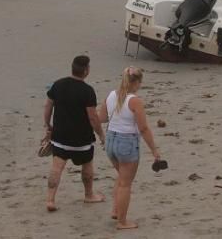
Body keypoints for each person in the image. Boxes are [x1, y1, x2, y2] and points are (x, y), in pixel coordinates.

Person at [99, 67, 160, 230]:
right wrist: (154, 150)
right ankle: (122, 221)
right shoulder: (135, 101)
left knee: (121, 177)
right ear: (137, 82)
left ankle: (116, 210)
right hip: (126, 142)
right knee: (126, 183)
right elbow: (143, 128)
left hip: (111, 140)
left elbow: (102, 118)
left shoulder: (112, 95)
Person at [43, 55, 105, 212]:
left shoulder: (58, 85)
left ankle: (50, 199)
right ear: (86, 71)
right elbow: (93, 117)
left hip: (60, 137)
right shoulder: (87, 91)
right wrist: (101, 135)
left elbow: (48, 105)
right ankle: (89, 194)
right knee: (87, 165)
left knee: (57, 167)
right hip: (82, 139)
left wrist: (47, 125)